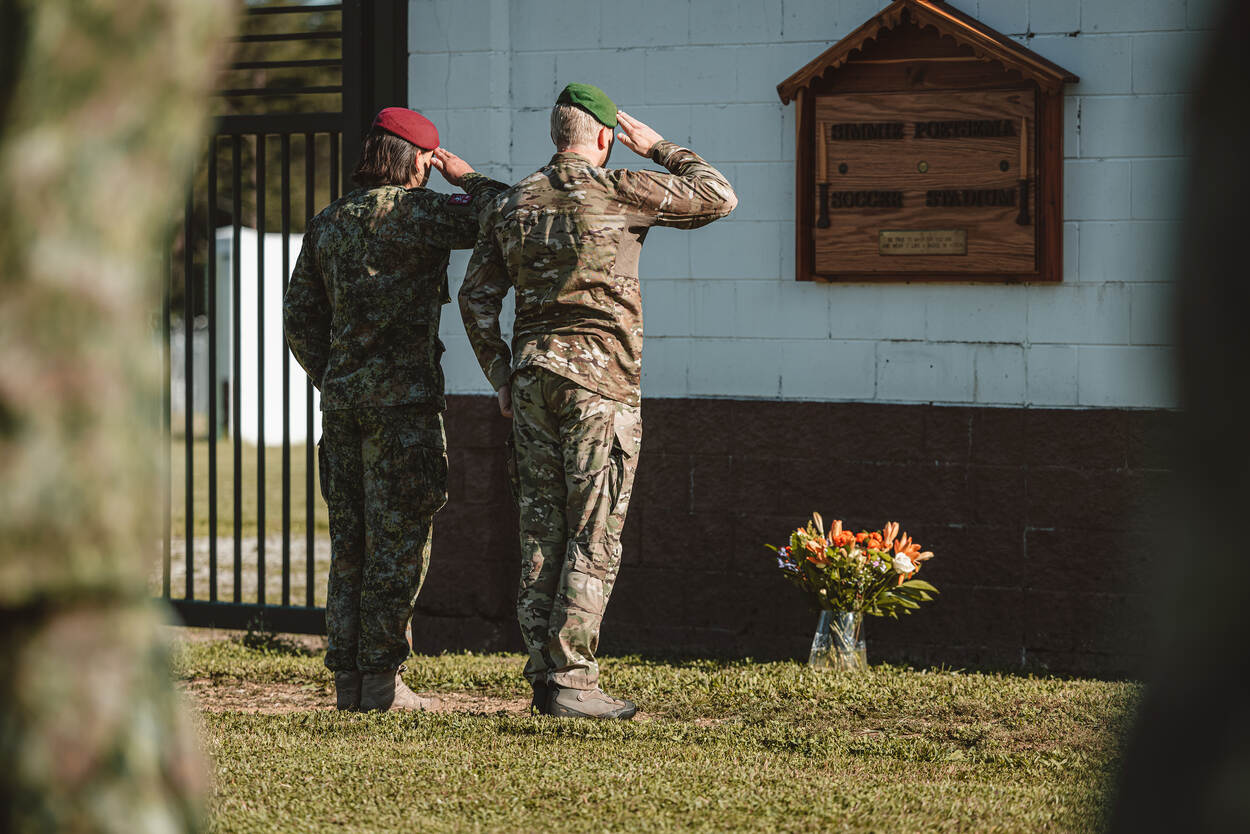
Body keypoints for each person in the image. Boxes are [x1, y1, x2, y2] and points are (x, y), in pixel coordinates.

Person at [459, 83, 737, 719]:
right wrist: (659, 146)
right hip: (599, 385)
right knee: (594, 531)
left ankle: (545, 676)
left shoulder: (514, 203)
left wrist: (501, 373)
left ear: (555, 135)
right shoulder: (620, 189)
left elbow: (475, 297)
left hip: (531, 382)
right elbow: (720, 197)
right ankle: (574, 681)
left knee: (540, 528)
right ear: (605, 137)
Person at [284, 108, 507, 712]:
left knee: (351, 543)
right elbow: (510, 212)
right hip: (403, 411)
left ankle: (349, 682)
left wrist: (331, 377)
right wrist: (463, 176)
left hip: (344, 406)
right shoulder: (424, 214)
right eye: (429, 162)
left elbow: (299, 319)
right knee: (399, 542)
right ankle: (381, 682)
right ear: (417, 160)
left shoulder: (328, 223)